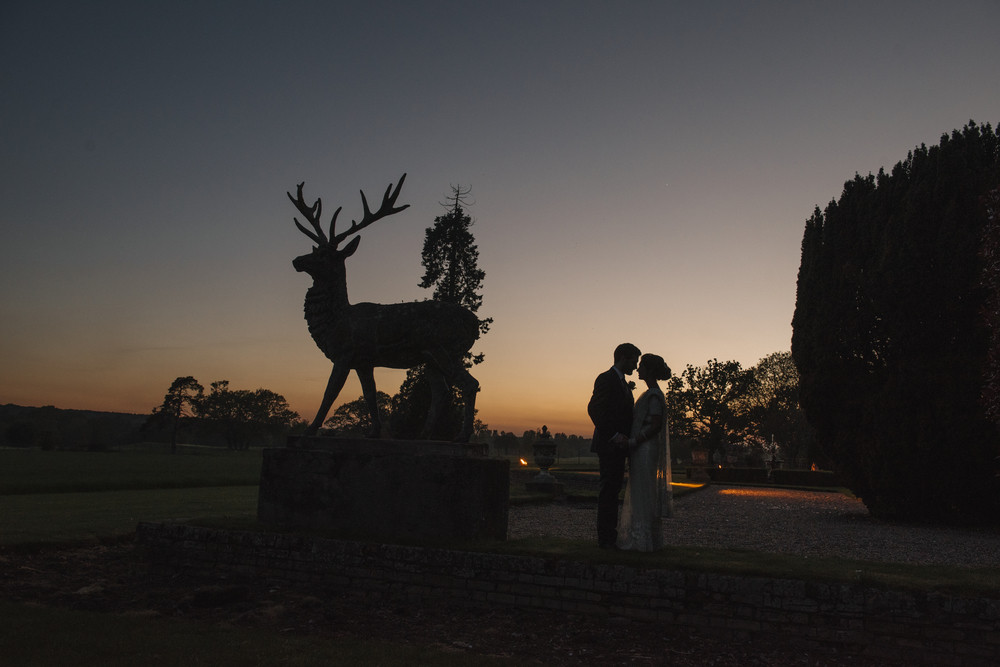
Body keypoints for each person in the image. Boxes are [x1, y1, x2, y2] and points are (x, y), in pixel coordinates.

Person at [617, 353, 672, 552]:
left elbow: (655, 425)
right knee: (641, 490)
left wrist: (634, 441)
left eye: (641, 366)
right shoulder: (651, 393)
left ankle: (643, 540)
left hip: (646, 449)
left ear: (649, 370)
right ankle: (643, 538)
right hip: (642, 448)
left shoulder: (654, 395)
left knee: (643, 491)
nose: (638, 369)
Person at [587, 342, 641, 549]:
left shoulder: (623, 383)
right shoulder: (606, 378)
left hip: (619, 447)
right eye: (633, 362)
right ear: (623, 358)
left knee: (613, 490)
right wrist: (615, 435)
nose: (635, 367)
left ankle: (610, 535)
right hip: (609, 445)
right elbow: (594, 409)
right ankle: (605, 538)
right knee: (608, 491)